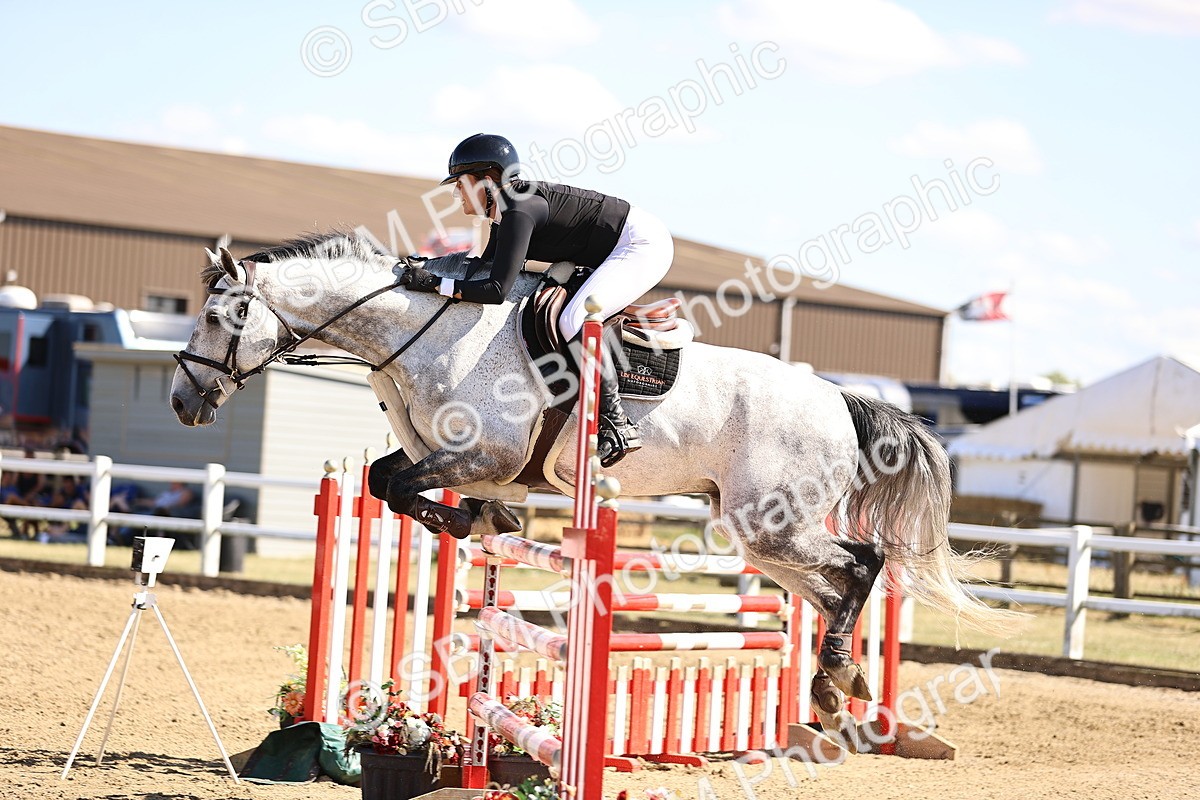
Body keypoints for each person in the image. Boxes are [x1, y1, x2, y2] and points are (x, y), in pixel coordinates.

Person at [401, 133, 675, 467]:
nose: (456, 193)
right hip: (613, 246)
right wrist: (428, 270)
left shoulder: (517, 210)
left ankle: (617, 423)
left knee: (574, 319)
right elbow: (483, 271)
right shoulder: (504, 212)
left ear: (486, 181)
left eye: (460, 183)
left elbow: (496, 291)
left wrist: (432, 283)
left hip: (639, 245)